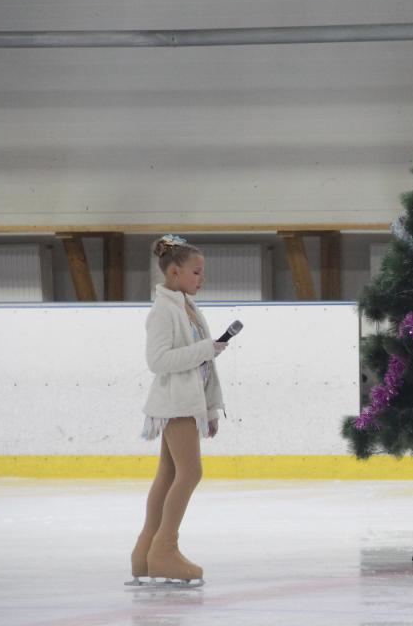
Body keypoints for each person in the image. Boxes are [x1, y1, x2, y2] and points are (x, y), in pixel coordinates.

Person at [128, 235, 227, 585]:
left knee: (169, 475)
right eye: (196, 272)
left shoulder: (187, 306)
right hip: (174, 405)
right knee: (190, 472)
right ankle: (164, 550)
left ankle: (145, 553)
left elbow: (204, 366)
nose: (202, 279)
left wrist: (211, 409)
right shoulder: (164, 310)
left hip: (187, 403)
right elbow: (158, 361)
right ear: (174, 273)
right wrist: (205, 349)